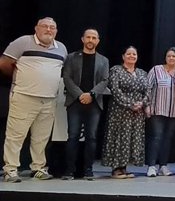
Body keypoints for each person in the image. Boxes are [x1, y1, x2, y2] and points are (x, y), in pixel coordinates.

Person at [1, 17, 67, 182]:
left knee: (42, 137)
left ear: (56, 31)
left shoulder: (62, 48)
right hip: (24, 97)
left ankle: (38, 167)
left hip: (49, 99)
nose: (49, 30)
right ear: (36, 28)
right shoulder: (23, 42)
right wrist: (21, 79)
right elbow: (4, 63)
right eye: (45, 26)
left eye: (53, 27)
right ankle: (10, 170)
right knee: (16, 135)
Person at [62, 28, 109, 180]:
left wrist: (92, 94)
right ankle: (70, 170)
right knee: (73, 136)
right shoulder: (71, 57)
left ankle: (88, 170)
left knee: (92, 137)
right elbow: (67, 77)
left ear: (98, 41)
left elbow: (105, 80)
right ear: (82, 39)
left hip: (94, 103)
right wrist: (80, 95)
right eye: (88, 37)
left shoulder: (103, 60)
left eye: (94, 38)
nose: (90, 40)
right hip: (75, 102)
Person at [102, 46, 149, 179]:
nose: (132, 56)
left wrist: (142, 103)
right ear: (123, 56)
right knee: (119, 138)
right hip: (120, 111)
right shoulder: (116, 70)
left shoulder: (142, 73)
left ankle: (124, 167)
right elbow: (115, 90)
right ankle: (116, 169)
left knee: (131, 139)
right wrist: (130, 104)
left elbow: (148, 91)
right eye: (129, 54)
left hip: (137, 113)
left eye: (134, 54)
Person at [145, 47, 175, 177]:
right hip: (158, 110)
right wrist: (147, 105)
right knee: (157, 137)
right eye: (169, 56)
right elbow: (147, 88)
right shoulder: (156, 70)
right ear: (165, 57)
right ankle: (151, 166)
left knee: (168, 139)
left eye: (174, 56)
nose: (171, 58)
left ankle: (163, 166)